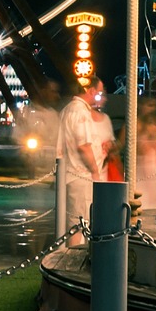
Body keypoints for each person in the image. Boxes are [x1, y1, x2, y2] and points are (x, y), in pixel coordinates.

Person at [59, 78, 109, 245]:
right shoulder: (81, 112)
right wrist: (95, 171)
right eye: (99, 92)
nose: (99, 96)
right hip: (81, 176)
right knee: (79, 224)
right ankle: (73, 260)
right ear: (91, 91)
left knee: (75, 222)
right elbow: (84, 145)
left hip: (70, 173)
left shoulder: (67, 109)